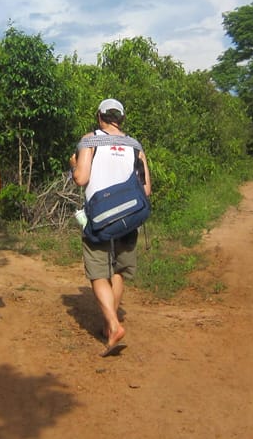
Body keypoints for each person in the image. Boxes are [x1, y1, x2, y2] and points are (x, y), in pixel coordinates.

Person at [70, 98, 152, 357]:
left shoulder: (90, 140)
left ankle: (113, 325)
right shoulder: (135, 146)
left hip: (99, 218)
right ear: (122, 119)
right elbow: (146, 189)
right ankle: (109, 325)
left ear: (100, 117)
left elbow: (81, 179)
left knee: (97, 273)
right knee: (119, 270)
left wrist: (74, 164)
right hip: (129, 217)